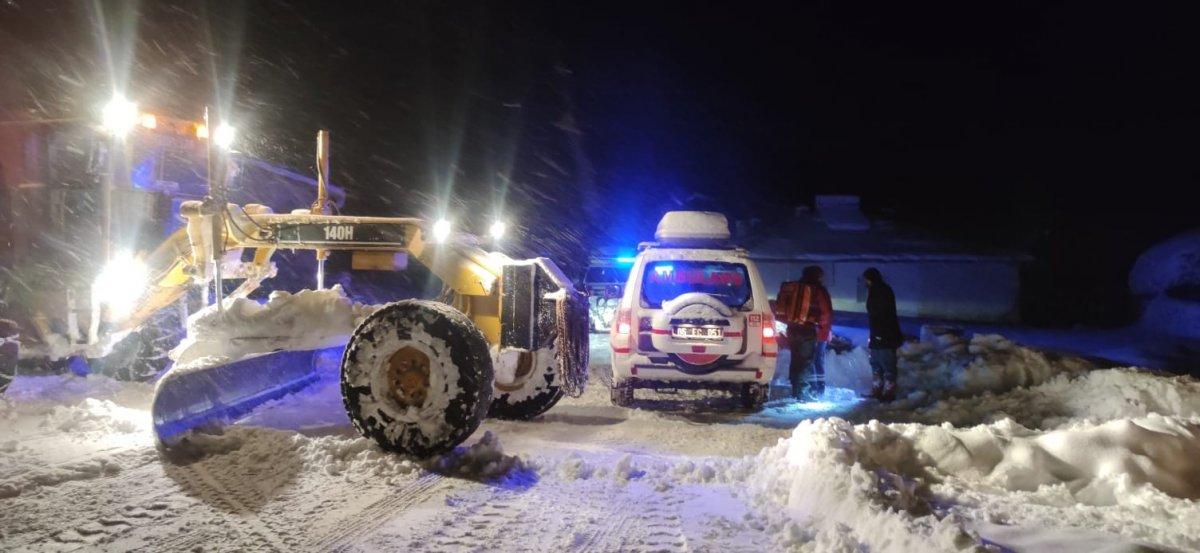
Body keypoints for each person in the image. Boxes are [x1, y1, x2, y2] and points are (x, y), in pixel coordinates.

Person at [774, 265, 833, 401]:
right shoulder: (818, 290)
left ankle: (795, 390)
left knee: (795, 360)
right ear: (818, 276)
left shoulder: (795, 288)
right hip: (808, 330)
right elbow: (826, 313)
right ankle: (804, 394)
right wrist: (824, 331)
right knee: (806, 362)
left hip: (792, 329)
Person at [862, 267, 903, 401]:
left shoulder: (880, 291)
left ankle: (888, 392)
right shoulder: (878, 290)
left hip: (885, 334)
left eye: (866, 279)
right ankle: (878, 389)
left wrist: (880, 333)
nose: (865, 282)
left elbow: (880, 314)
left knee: (886, 362)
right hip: (878, 333)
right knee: (876, 363)